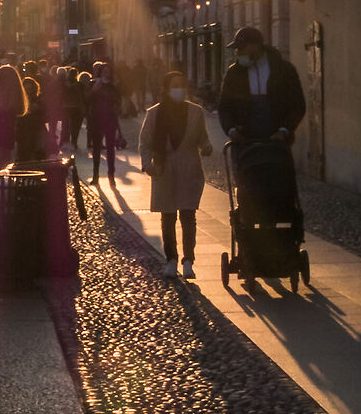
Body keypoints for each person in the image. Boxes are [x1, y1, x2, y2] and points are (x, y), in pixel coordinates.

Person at [140, 67, 211, 278]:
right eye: (175, 86)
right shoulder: (154, 113)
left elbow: (202, 138)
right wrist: (147, 165)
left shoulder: (196, 112)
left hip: (189, 168)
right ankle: (171, 259)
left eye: (182, 86)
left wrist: (207, 146)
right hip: (164, 168)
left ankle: (188, 260)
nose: (179, 90)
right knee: (168, 216)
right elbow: (145, 142)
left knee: (188, 215)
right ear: (167, 89)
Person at [216, 25, 307, 145]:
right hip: (243, 141)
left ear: (256, 46)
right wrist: (231, 130)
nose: (238, 53)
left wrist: (284, 130)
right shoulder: (234, 73)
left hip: (277, 141)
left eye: (242, 48)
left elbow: (297, 105)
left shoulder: (284, 70)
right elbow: (224, 106)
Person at [0, 63, 27, 170]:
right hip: (3, 137)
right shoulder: (5, 97)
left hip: (4, 138)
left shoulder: (5, 98)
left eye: (0, 77)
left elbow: (4, 120)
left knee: (2, 167)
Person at [88, 66, 123, 185]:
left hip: (110, 119)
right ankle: (95, 175)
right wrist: (94, 90)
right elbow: (87, 99)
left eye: (109, 71)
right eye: (104, 71)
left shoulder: (113, 86)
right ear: (100, 72)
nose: (107, 74)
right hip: (96, 119)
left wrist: (116, 106)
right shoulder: (93, 84)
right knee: (96, 149)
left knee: (110, 149)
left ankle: (111, 174)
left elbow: (119, 101)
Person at [14, 75, 51, 170]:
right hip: (22, 132)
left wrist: (38, 109)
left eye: (30, 88)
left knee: (36, 156)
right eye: (26, 88)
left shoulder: (39, 101)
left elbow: (46, 117)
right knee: (23, 156)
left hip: (36, 131)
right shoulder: (19, 101)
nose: (28, 90)